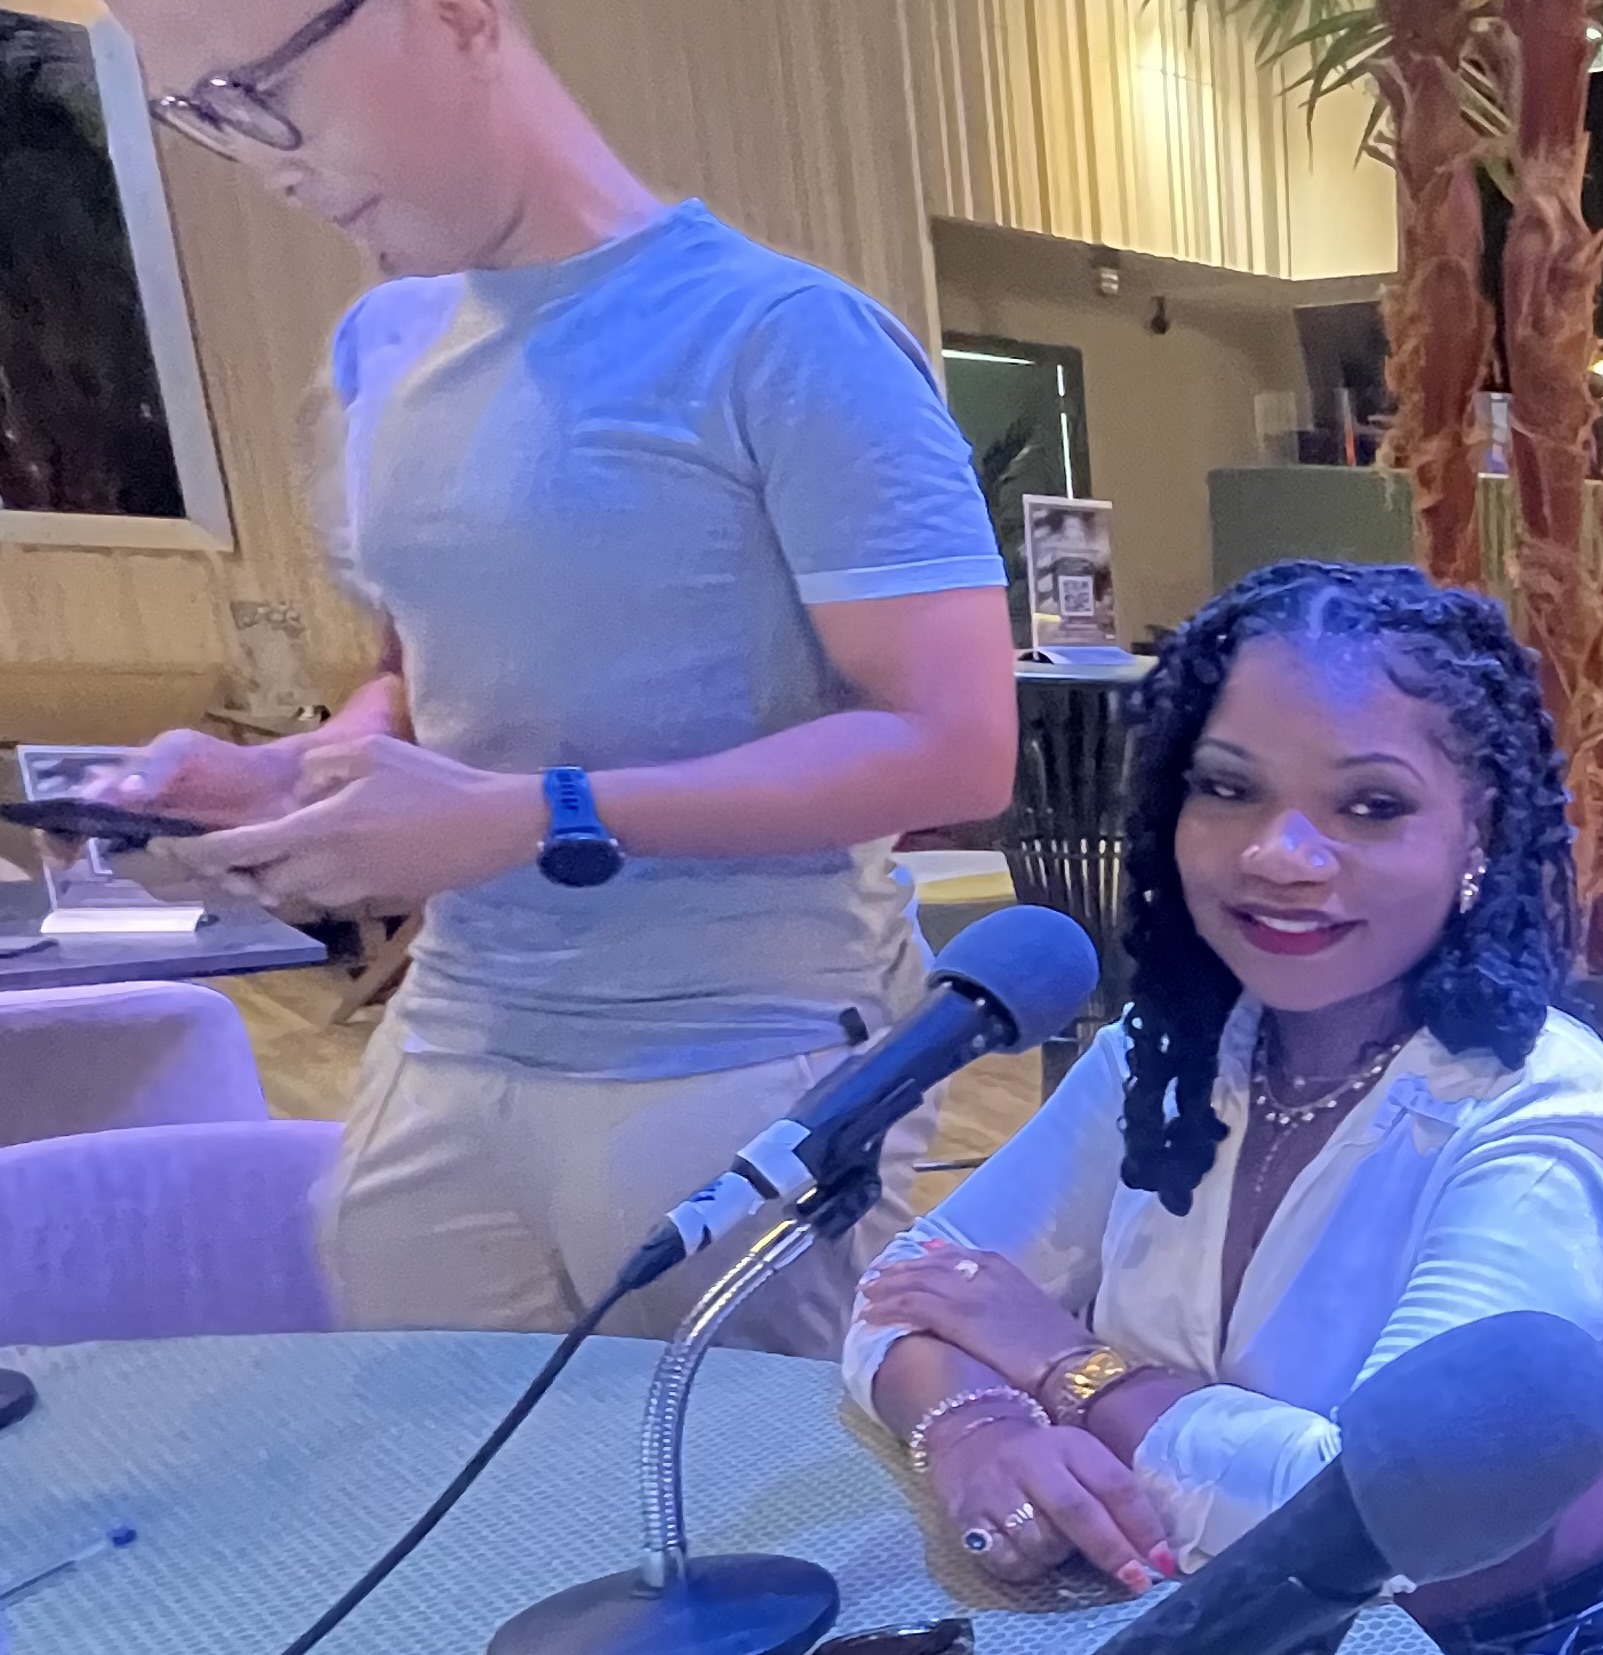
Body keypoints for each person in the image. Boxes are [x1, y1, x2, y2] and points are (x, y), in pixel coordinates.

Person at [104, 0, 1014, 1350]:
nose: (264, 163)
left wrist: (542, 815)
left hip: (739, 1048)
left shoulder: (784, 338)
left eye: (259, 89)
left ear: (455, 15)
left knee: (724, 1474)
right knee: (431, 1462)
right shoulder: (380, 350)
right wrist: (286, 779)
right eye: (201, 117)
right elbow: (423, 681)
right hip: (449, 1039)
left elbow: (954, 748)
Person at [841, 564, 1603, 1655]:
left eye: (1369, 805)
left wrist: (1064, 1367)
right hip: (1211, 1632)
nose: (1281, 855)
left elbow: (1380, 1514)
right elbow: (905, 1296)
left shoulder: (1548, 1108)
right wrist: (976, 1429)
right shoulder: (1166, 1053)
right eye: (1229, 789)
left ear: (1478, 831)